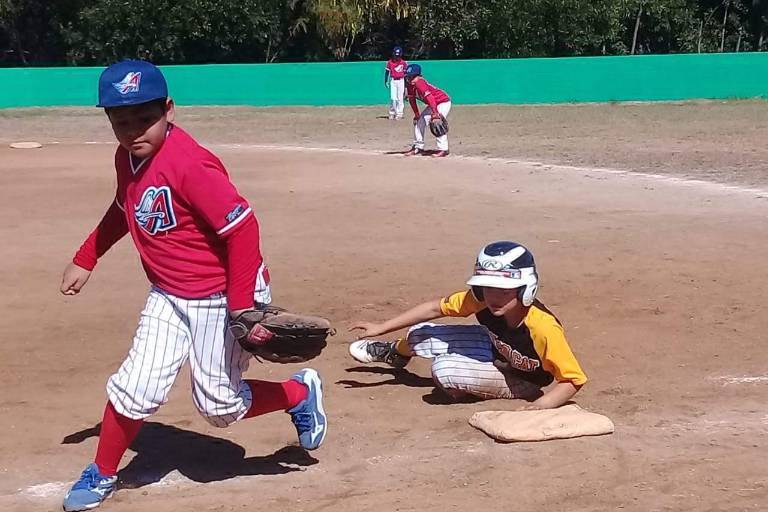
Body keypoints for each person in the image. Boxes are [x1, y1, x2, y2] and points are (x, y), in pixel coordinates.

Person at [59, 60, 327, 511]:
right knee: (134, 387)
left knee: (221, 407)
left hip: (222, 295)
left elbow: (241, 229)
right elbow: (126, 207)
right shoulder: (128, 157)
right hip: (168, 293)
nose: (133, 130)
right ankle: (103, 471)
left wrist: (242, 307)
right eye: (121, 121)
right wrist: (87, 255)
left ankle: (299, 393)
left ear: (169, 110)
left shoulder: (190, 164)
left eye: (145, 118)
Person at [349, 241, 587, 407]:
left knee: (444, 370)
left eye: (503, 290)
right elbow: (435, 308)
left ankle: (475, 389)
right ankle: (395, 353)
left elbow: (573, 379)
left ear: (526, 288)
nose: (493, 296)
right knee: (420, 334)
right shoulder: (481, 300)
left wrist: (540, 406)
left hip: (524, 379)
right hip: (495, 350)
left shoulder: (543, 328)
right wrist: (381, 327)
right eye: (487, 286)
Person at [403, 64, 452, 158]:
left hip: (442, 102)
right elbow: (412, 100)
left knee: (437, 123)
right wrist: (417, 114)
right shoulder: (410, 85)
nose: (410, 79)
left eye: (412, 77)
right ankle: (418, 147)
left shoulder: (420, 82)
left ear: (418, 76)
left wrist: (435, 113)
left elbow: (430, 98)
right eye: (408, 77)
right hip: (433, 103)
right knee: (419, 122)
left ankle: (443, 149)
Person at [384, 46, 407, 120]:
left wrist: (406, 85)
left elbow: (406, 74)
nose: (397, 57)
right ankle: (392, 112)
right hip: (393, 80)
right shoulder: (390, 62)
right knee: (393, 98)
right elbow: (387, 72)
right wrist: (386, 81)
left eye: (398, 55)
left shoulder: (403, 63)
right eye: (395, 55)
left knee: (400, 98)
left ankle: (399, 113)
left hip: (401, 80)